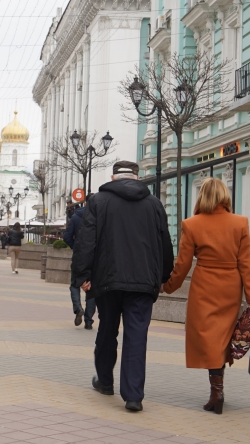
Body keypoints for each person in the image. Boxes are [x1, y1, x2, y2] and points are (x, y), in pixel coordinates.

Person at [71, 161, 173, 413]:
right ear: (138, 177)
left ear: (113, 177)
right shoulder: (154, 204)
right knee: (137, 336)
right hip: (142, 282)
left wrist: (82, 275)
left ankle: (105, 381)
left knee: (107, 330)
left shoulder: (98, 201)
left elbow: (86, 240)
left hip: (108, 279)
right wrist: (163, 275)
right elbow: (165, 242)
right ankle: (133, 395)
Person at [162, 177, 250, 415]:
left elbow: (183, 264)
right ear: (225, 195)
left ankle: (217, 392)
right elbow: (245, 263)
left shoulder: (192, 224)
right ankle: (218, 390)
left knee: (207, 336)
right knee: (223, 336)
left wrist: (168, 286)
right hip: (231, 286)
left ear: (202, 196)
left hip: (204, 285)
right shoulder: (240, 223)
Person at [63, 200, 91, 328]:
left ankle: (78, 308)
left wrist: (75, 247)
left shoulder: (75, 217)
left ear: (85, 203)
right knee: (93, 286)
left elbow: (67, 236)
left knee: (75, 284)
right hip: (94, 256)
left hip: (79, 256)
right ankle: (89, 321)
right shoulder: (99, 216)